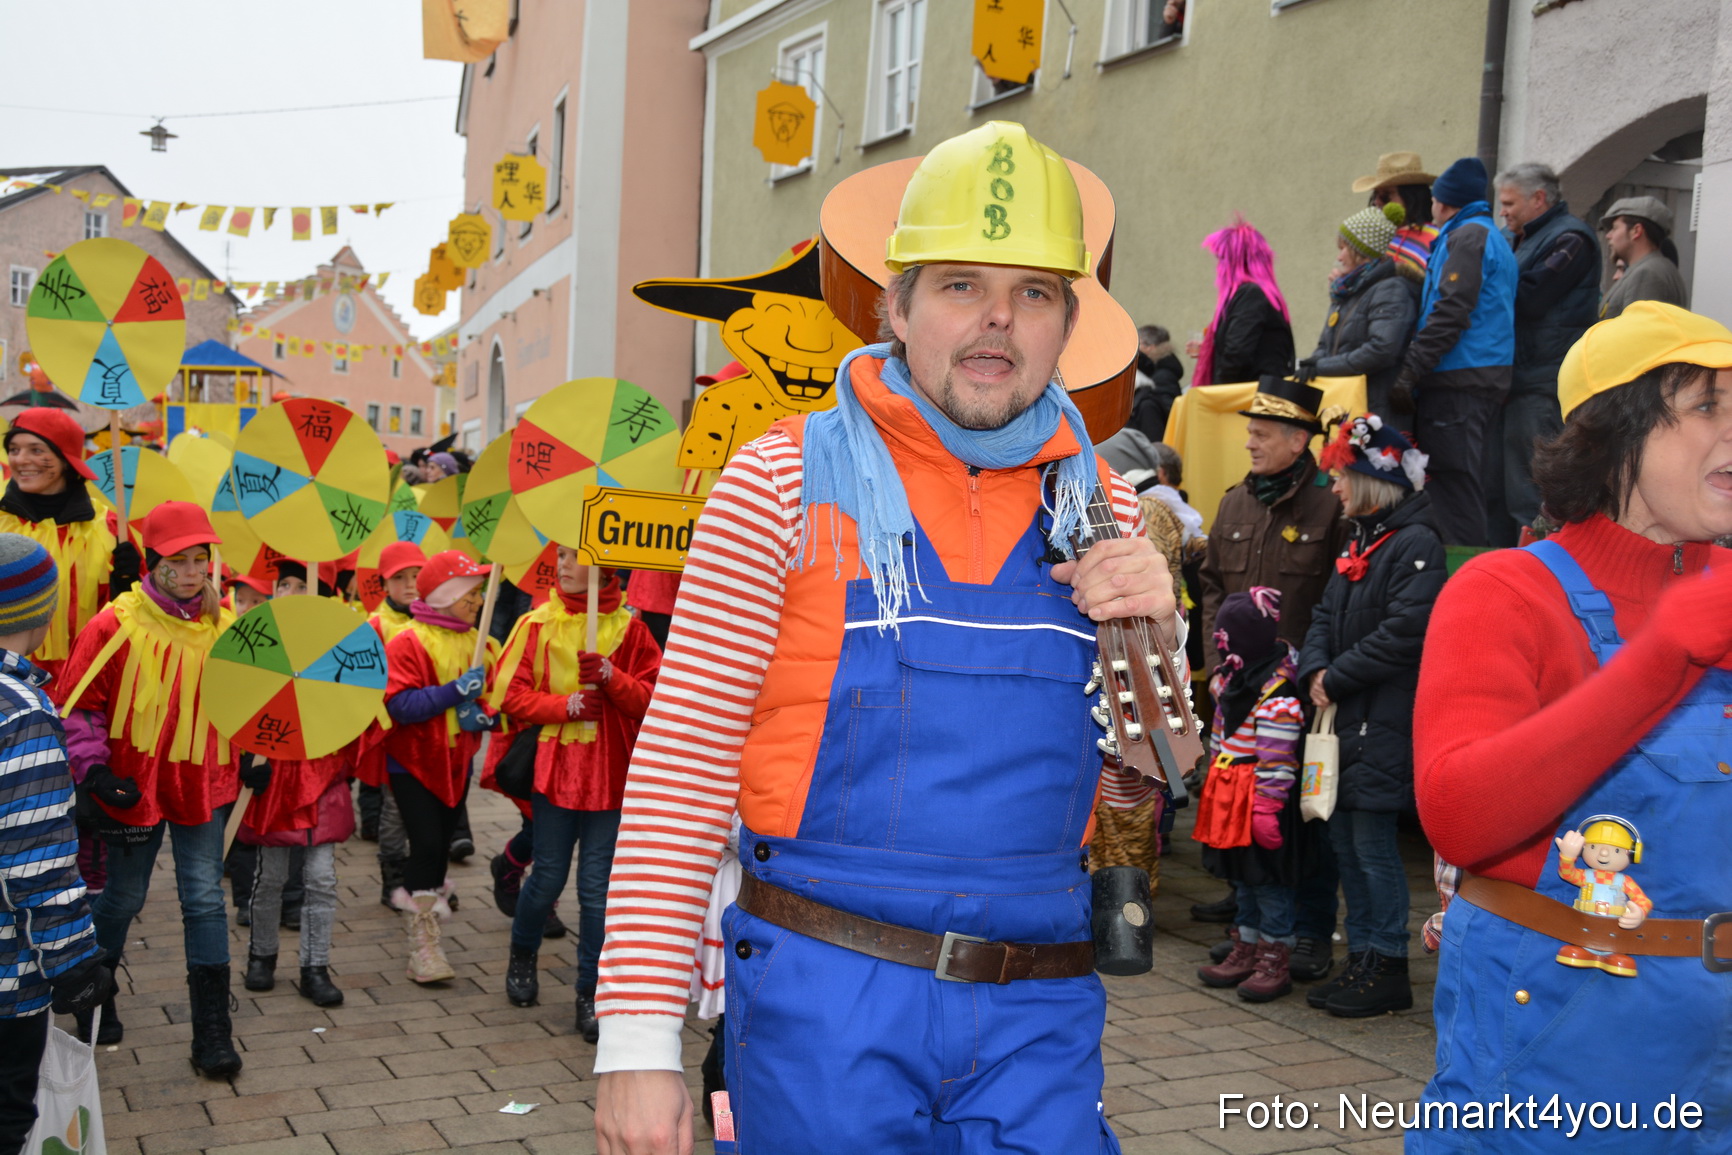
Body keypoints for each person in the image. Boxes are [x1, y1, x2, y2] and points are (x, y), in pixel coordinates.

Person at [592, 121, 1179, 1154]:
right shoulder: (777, 481)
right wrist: (637, 1046)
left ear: (1067, 325)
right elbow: (682, 767)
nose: (997, 321)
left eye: (1033, 293)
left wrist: (1158, 646)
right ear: (894, 306)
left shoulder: (1107, 512)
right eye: (959, 285)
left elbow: (1148, 784)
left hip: (1038, 1012)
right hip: (826, 1000)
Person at [1410, 301, 1732, 1150]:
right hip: (1560, 1042)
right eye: (1708, 406)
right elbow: (1459, 815)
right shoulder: (1505, 591)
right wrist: (1659, 659)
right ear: (1616, 433)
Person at [53, 502, 242, 1076]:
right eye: (178, 561)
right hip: (132, 788)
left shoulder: (227, 626)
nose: (191, 572)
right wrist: (97, 773)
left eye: (200, 559)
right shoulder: (116, 623)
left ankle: (212, 1029)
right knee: (123, 896)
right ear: (153, 561)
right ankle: (94, 994)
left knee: (205, 898)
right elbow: (78, 705)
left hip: (202, 782)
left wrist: (258, 753)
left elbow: (256, 700)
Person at [1193, 376, 1344, 969]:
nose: (1250, 443)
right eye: (1250, 433)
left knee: (1304, 815)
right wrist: (1219, 659)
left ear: (1296, 438)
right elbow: (1210, 588)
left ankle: (1307, 930)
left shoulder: (1330, 504)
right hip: (1238, 690)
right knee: (1239, 801)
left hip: (1301, 693)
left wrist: (1317, 672)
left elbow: (1336, 598)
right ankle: (1251, 925)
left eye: (1260, 434)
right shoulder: (1234, 500)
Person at [1297, 415, 1444, 1018]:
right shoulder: (1360, 540)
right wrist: (1313, 669)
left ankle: (1386, 963)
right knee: (1344, 838)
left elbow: (1406, 632)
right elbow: (1323, 615)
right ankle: (1362, 958)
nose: (1333, 488)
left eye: (1341, 476)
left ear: (1372, 480)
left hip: (1381, 719)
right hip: (1347, 719)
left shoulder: (1415, 544)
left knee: (1372, 844)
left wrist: (1335, 676)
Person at [486, 553, 660, 1041]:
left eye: (572, 556)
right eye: (559, 554)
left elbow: (651, 699)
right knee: (545, 880)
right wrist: (565, 705)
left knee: (595, 890)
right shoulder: (536, 623)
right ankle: (522, 957)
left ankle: (590, 992)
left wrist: (610, 677)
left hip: (610, 776)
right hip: (556, 772)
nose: (560, 564)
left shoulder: (634, 630)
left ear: (605, 567)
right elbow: (509, 693)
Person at [0, 535, 113, 1154]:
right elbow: (33, 863)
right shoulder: (20, 711)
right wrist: (73, 965)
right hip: (7, 975)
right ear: (42, 613)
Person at [1192, 589, 1317, 1002]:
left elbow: (1278, 759)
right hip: (1230, 799)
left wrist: (1266, 808)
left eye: (1225, 637)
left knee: (1269, 882)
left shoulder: (1278, 694)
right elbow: (1220, 739)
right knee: (1242, 877)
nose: (1220, 644)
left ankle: (1274, 954)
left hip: (1263, 802)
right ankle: (1245, 945)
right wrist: (1211, 780)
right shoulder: (1232, 680)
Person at [236, 561, 351, 1008]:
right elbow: (236, 706)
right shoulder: (257, 646)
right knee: (271, 877)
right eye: (283, 584)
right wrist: (247, 757)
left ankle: (314, 965)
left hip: (321, 777)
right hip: (274, 778)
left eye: (301, 585)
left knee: (321, 878)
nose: (289, 591)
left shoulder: (339, 649)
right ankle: (261, 955)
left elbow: (355, 712)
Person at [382, 550, 498, 983]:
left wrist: (487, 714)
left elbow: (500, 701)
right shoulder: (407, 641)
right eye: (472, 591)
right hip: (411, 762)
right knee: (427, 844)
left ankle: (428, 921)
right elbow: (399, 704)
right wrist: (452, 693)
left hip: (456, 762)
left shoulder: (482, 641)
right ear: (447, 595)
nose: (479, 599)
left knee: (441, 846)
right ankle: (422, 947)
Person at [1389, 156, 1518, 547]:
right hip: (1476, 375)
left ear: (1444, 202)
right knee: (1462, 484)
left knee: (1453, 485)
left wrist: (1412, 368)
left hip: (1460, 377)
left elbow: (1451, 309)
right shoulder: (1482, 234)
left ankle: (1465, 584)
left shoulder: (1468, 237)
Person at [1488, 163, 1600, 546]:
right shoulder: (1516, 238)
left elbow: (1531, 297)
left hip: (1542, 380)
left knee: (1530, 489)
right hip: (1518, 378)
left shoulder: (1571, 238)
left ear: (1539, 199)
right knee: (1505, 487)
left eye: (1508, 203)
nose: (1502, 212)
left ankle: (1535, 572)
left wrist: (1486, 276)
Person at [1302, 204, 1418, 423]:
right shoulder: (1346, 290)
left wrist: (1321, 367)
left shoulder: (1391, 289)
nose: (1339, 257)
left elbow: (1381, 350)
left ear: (1360, 251)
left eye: (1343, 248)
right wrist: (1312, 364)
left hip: (1374, 411)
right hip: (1344, 405)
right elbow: (1325, 344)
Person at [1192, 217, 1295, 386]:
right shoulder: (1261, 293)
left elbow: (1237, 352)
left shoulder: (1251, 294)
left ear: (1233, 260)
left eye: (1221, 258)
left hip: (1250, 398)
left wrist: (1216, 393)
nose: (1218, 267)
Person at [1352, 152, 1438, 284]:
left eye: (1386, 196)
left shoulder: (1434, 240)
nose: (1377, 203)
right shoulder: (1376, 238)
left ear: (1411, 198)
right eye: (1375, 195)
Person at [1598, 195, 1687, 319]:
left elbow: (1637, 334)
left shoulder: (1648, 273)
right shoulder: (1652, 268)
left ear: (1636, 231)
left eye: (1615, 228)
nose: (1608, 235)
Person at [1127, 324, 1185, 441]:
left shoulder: (1163, 376)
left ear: (1150, 347)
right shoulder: (1158, 371)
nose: (1135, 349)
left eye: (1139, 344)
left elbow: (1168, 412)